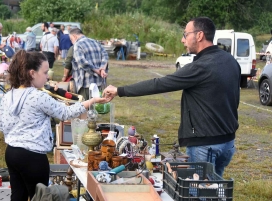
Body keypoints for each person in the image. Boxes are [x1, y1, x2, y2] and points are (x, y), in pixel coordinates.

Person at [103, 17, 240, 177]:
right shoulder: (230, 61)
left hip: (205, 144)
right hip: (227, 142)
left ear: (200, 35)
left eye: (186, 34)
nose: (183, 40)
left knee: (200, 192)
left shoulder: (200, 67)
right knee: (216, 188)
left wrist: (120, 90)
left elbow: (160, 84)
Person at [0, 50, 110, 201]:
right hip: (33, 157)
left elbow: (1, 126)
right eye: (44, 72)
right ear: (32, 73)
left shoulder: (8, 95)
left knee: (18, 196)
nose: (47, 76)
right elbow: (64, 113)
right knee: (41, 197)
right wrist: (91, 102)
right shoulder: (39, 96)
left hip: (11, 153)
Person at [69, 27, 109, 100]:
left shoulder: (77, 45)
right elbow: (105, 55)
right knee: (97, 107)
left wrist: (97, 70)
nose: (71, 42)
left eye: (71, 39)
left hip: (85, 84)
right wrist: (102, 69)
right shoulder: (95, 42)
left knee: (85, 109)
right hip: (99, 83)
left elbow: (82, 62)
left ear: (74, 36)